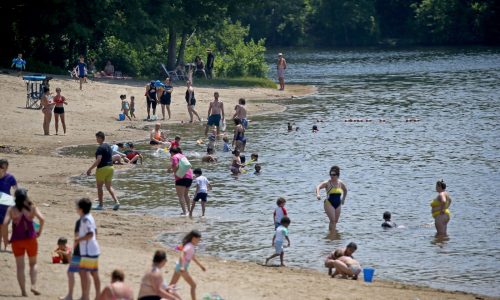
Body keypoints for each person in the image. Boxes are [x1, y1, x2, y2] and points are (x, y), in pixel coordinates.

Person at [1, 188, 44, 296]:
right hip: (30, 239)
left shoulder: (11, 209)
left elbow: (5, 224)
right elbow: (42, 219)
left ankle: (23, 292)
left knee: (20, 267)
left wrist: (5, 239)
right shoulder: (32, 207)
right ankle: (33, 285)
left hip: (16, 240)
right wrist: (39, 231)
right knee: (33, 263)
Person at [86, 131, 120, 210]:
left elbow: (98, 160)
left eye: (97, 138)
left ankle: (101, 205)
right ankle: (117, 202)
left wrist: (90, 169)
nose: (96, 139)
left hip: (102, 168)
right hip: (111, 168)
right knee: (109, 187)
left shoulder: (100, 148)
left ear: (101, 138)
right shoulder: (108, 146)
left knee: (99, 187)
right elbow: (110, 157)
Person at [75, 198, 101, 300]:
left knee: (84, 273)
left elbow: (90, 233)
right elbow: (95, 231)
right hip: (93, 249)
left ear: (81, 209)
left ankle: (85, 297)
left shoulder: (85, 219)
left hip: (88, 251)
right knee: (94, 273)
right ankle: (97, 296)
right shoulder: (90, 217)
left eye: (77, 207)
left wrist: (78, 239)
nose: (76, 209)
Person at [169, 230, 206, 300]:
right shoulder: (189, 246)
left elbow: (193, 257)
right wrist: (183, 266)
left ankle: (162, 296)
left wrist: (201, 266)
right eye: (198, 239)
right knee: (193, 285)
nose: (199, 241)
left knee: (171, 286)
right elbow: (182, 254)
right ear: (193, 238)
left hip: (178, 267)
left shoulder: (190, 245)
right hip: (182, 269)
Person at [315, 166, 348, 232]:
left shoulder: (340, 183)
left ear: (337, 175)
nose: (332, 176)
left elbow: (345, 190)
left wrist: (343, 199)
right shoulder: (327, 183)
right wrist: (318, 194)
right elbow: (318, 187)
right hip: (329, 203)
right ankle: (332, 233)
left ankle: (332, 235)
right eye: (331, 174)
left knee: (335, 221)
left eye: (333, 175)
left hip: (338, 203)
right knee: (332, 220)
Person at [59, 218, 82, 300]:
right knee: (83, 274)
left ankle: (70, 296)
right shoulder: (90, 220)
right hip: (86, 251)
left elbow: (76, 239)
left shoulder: (80, 222)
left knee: (72, 272)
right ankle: (84, 296)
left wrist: (74, 250)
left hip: (78, 253)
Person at [0, 159, 18, 250]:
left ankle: (6, 245)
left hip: (6, 205)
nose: (4, 169)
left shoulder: (10, 178)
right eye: (3, 167)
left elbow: (16, 189)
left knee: (5, 225)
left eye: (6, 168)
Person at [170, 147, 193, 215]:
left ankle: (184, 212)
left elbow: (176, 166)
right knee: (186, 194)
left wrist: (173, 172)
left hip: (181, 177)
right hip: (190, 176)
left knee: (181, 196)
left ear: (171, 152)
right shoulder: (183, 156)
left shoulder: (174, 157)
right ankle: (189, 211)